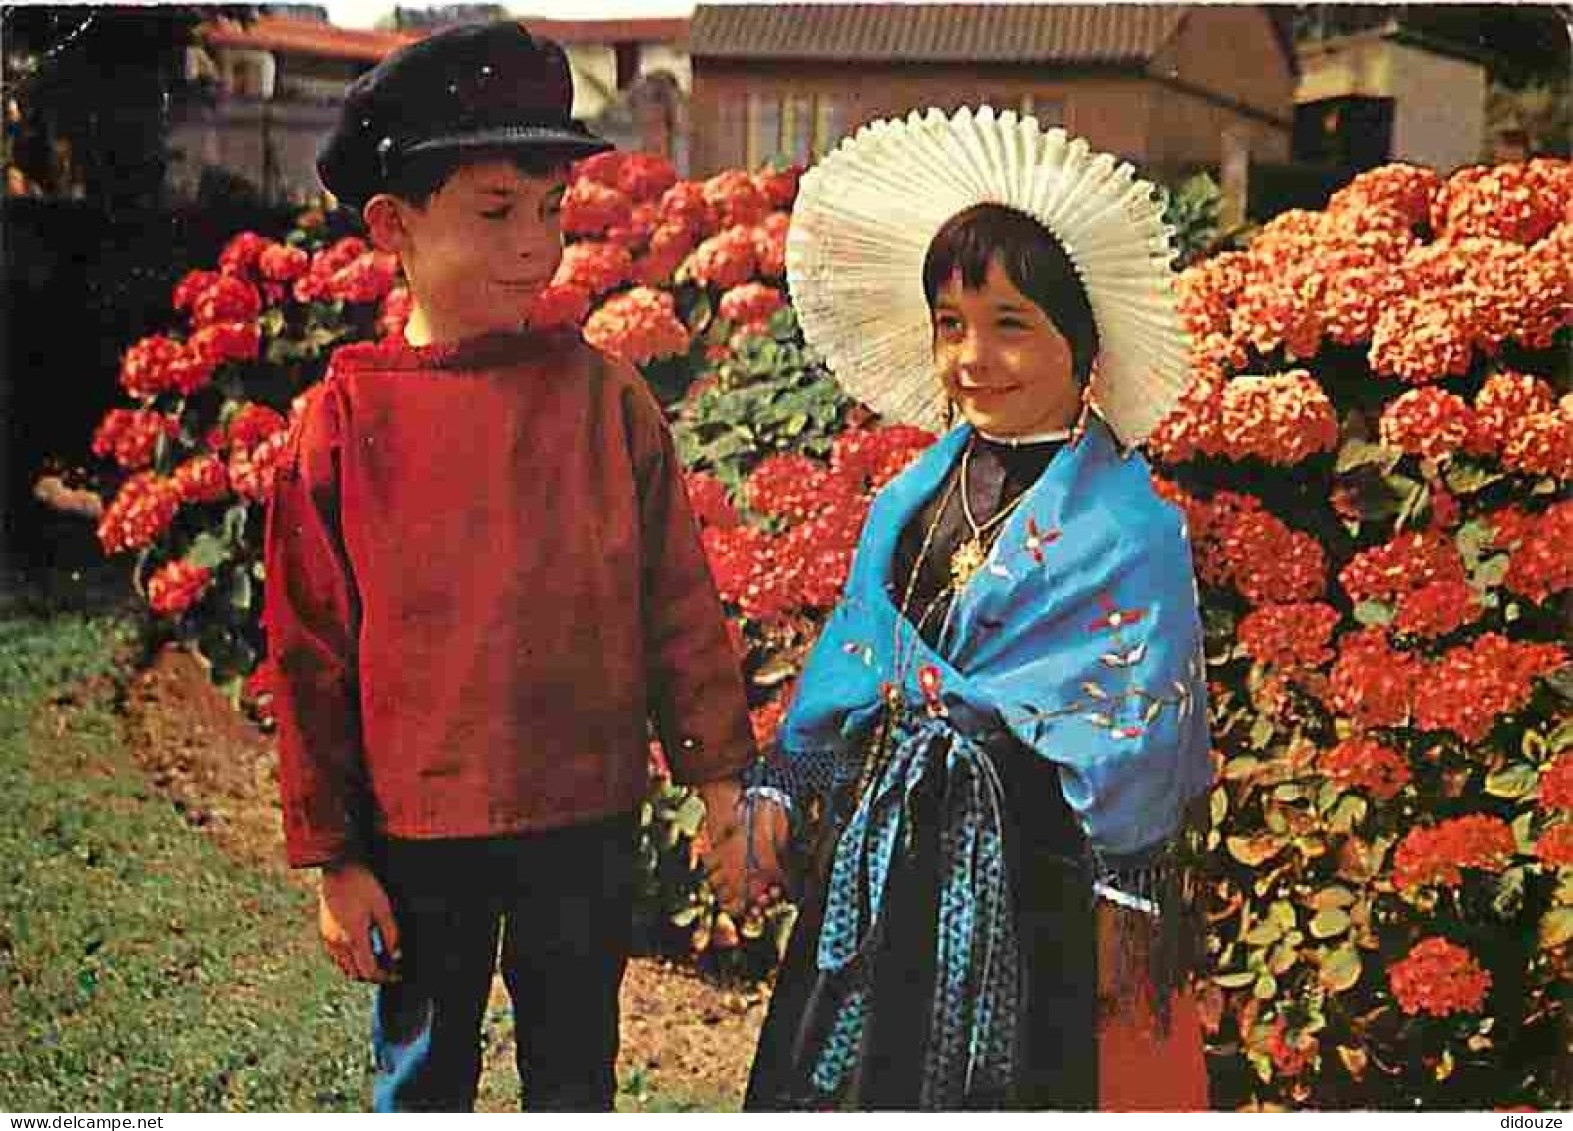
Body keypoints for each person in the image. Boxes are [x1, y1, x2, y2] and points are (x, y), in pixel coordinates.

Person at [262, 22, 769, 1112]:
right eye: (496, 213)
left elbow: (678, 604)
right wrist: (336, 858)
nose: (534, 245)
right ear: (393, 224)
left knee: (575, 1072)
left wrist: (720, 780)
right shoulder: (346, 421)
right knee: (426, 1073)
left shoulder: (605, 399)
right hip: (417, 831)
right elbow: (307, 657)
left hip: (581, 819)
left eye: (548, 211)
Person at [739, 107, 1215, 1110]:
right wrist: (788, 778)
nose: (971, 358)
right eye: (950, 326)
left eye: (1010, 326)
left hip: (1034, 864)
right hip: (892, 839)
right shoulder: (912, 494)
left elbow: (1137, 724)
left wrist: (1123, 890)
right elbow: (856, 645)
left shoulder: (1130, 531)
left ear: (1083, 347)